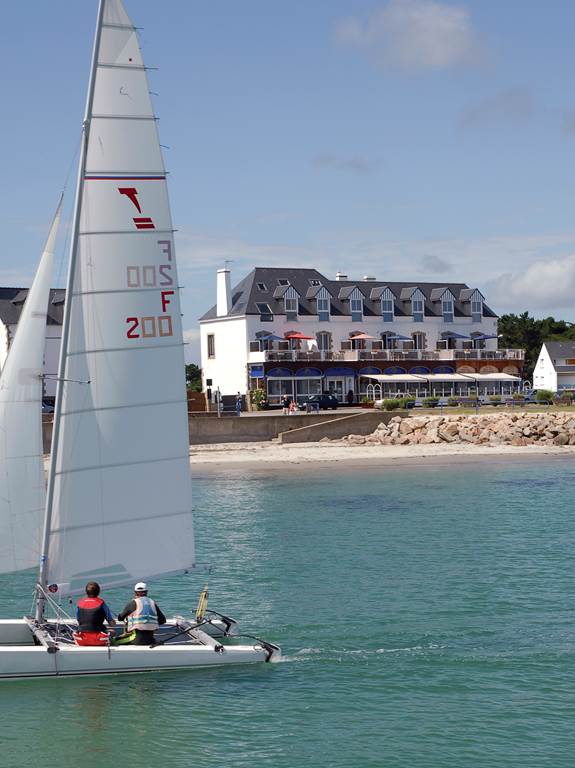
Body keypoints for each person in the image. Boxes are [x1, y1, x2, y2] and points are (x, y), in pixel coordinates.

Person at [74, 581, 116, 646]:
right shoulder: (102, 603)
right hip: (99, 639)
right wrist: (114, 622)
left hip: (82, 640)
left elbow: (78, 620)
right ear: (98, 592)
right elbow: (111, 624)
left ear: (86, 592)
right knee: (113, 632)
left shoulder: (79, 603)